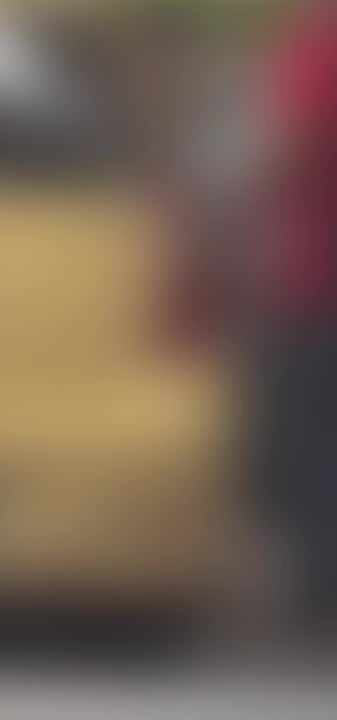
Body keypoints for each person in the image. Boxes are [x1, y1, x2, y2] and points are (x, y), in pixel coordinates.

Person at [253, 0, 337, 635]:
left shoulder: (315, 45)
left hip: (313, 293)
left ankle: (318, 589)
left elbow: (281, 153)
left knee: (300, 442)